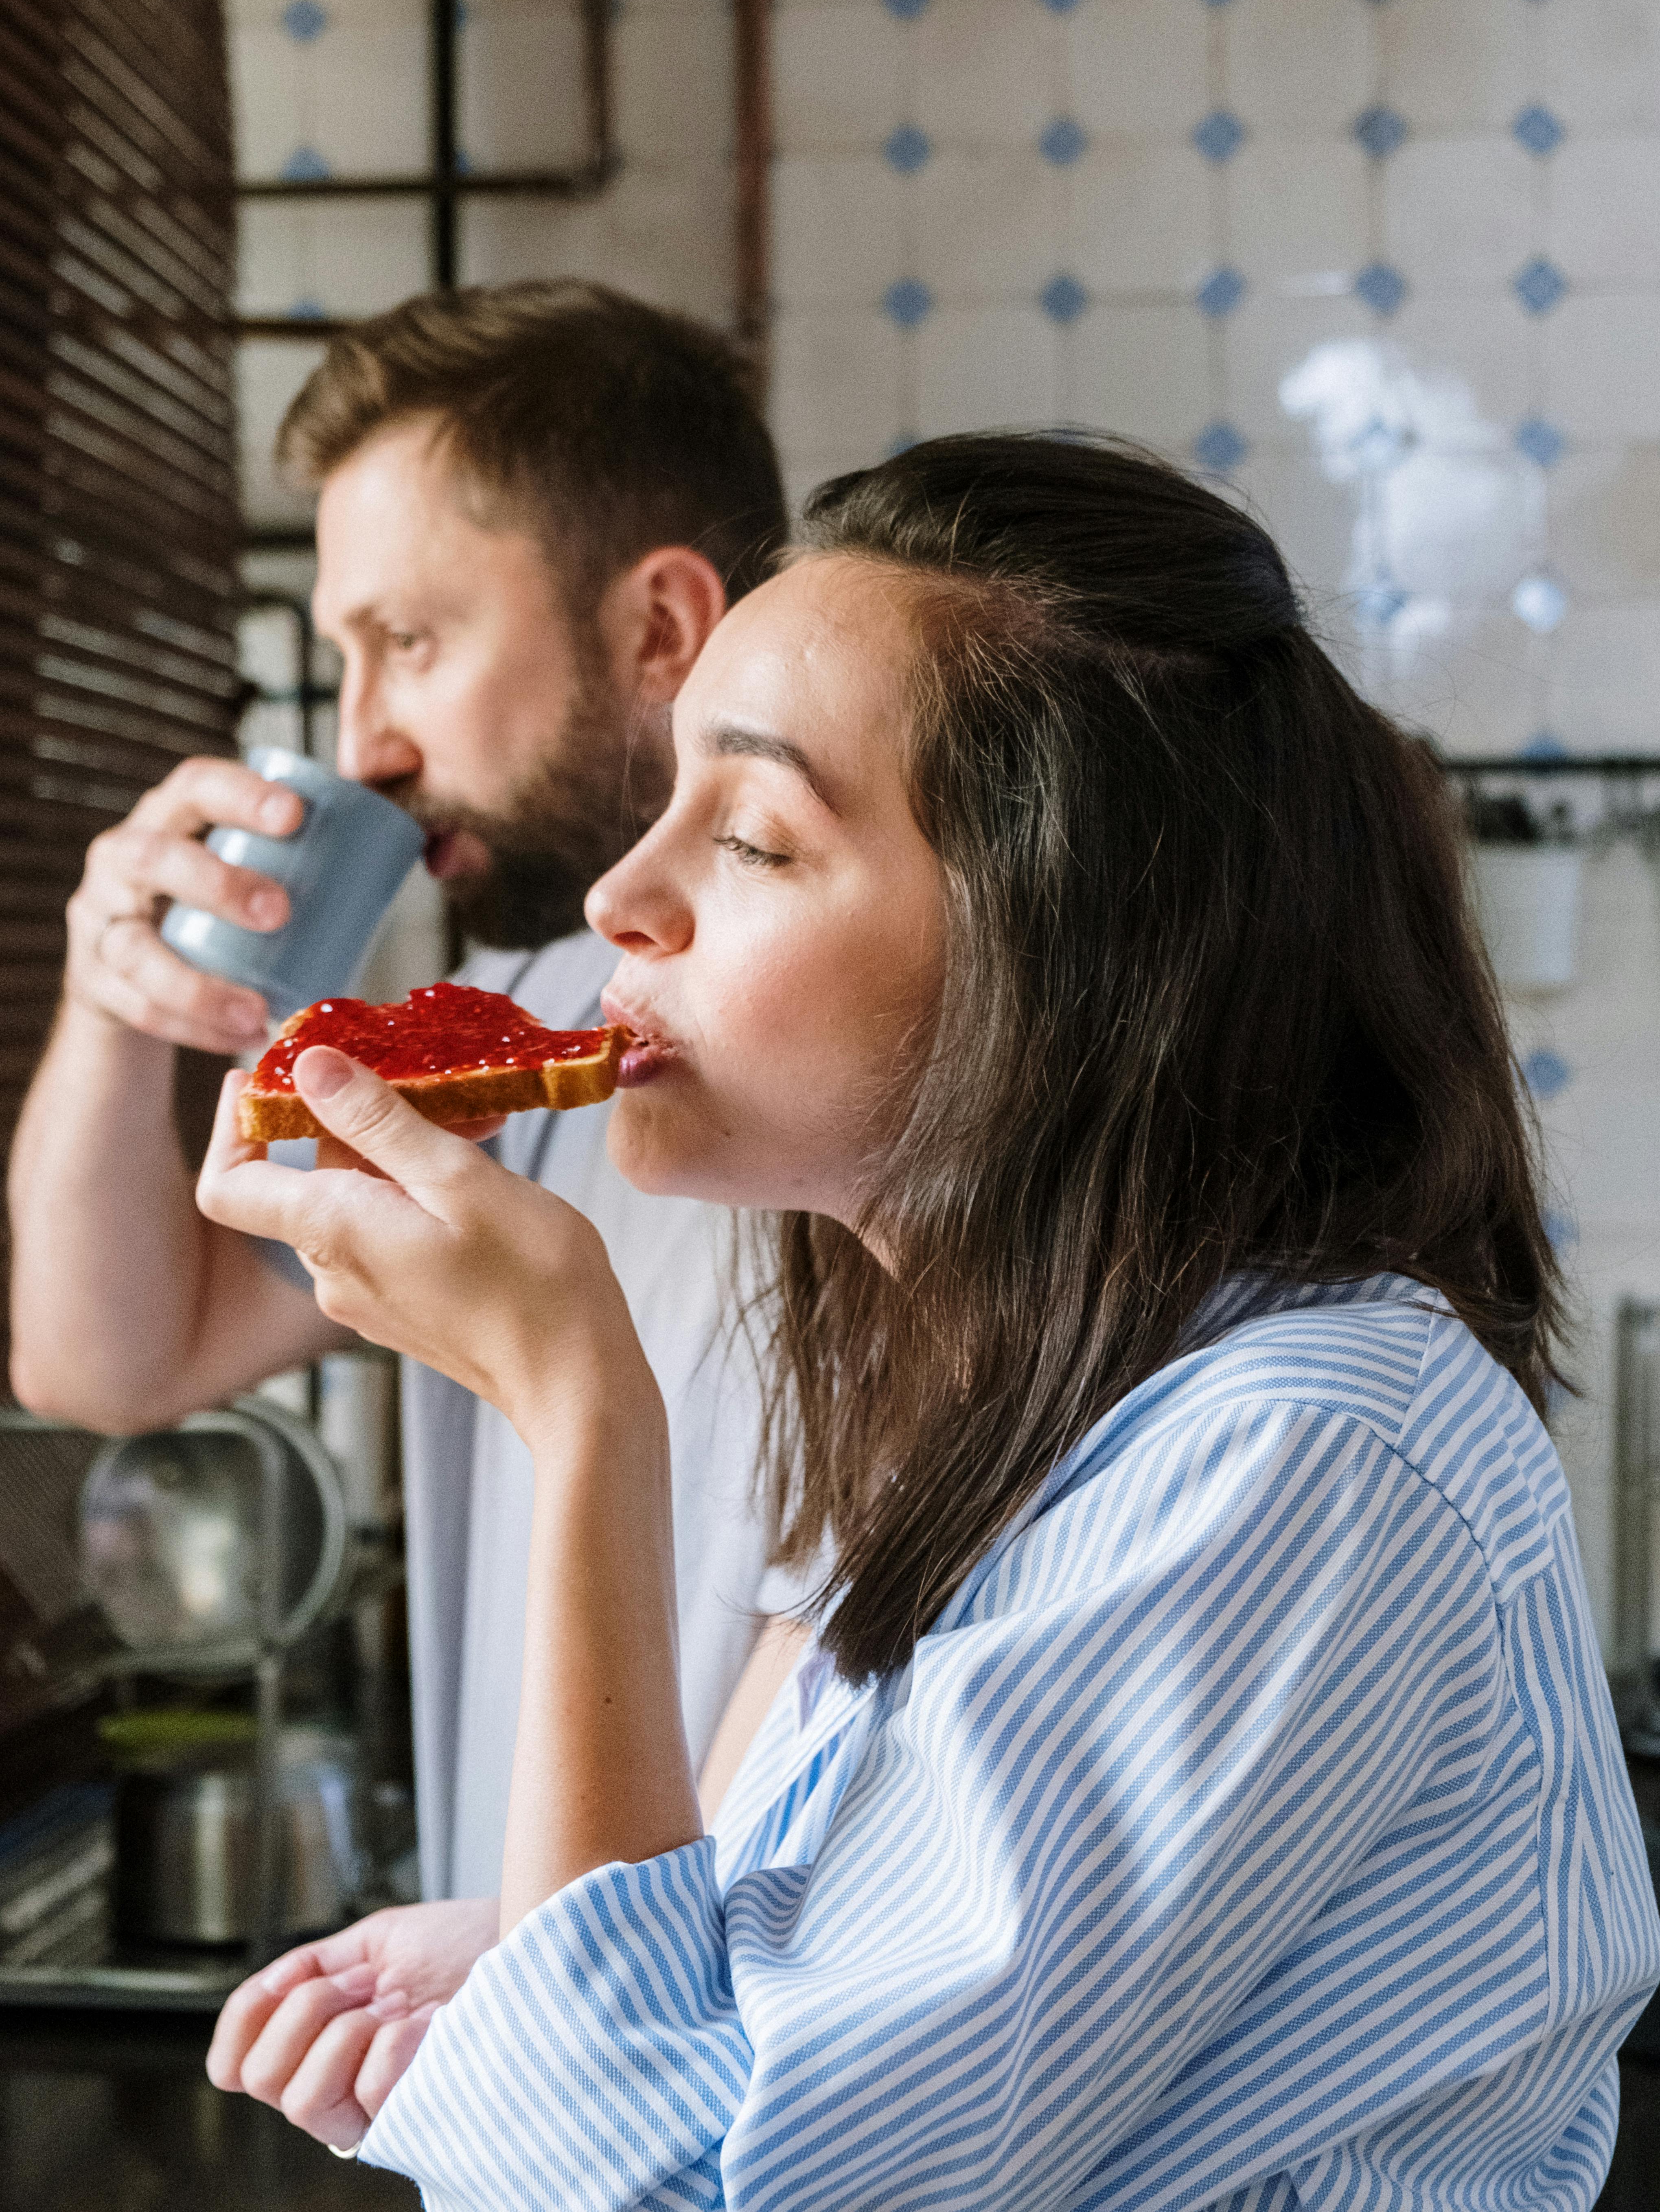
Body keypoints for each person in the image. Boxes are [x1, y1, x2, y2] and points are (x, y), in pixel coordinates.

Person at [198, 433, 1659, 2203]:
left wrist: (580, 1410)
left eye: (747, 834)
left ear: (1072, 950)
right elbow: (839, 2052)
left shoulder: (1304, 1453)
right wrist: (535, 1966)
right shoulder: (1010, 1406)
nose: (617, 905)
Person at [8, 279, 793, 1915]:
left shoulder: (860, 1052)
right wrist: (116, 1001)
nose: (362, 742)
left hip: (728, 2053)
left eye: (410, 644)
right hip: (528, 2045)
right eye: (343, 661)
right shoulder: (505, 1027)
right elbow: (110, 1360)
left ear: (661, 628)